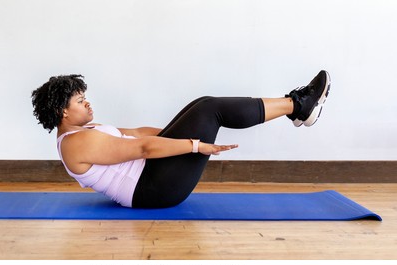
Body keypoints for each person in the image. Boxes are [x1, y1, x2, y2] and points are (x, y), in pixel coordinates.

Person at [31, 71, 330, 208]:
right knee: (210, 109)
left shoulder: (82, 132)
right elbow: (142, 148)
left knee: (202, 104)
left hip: (153, 180)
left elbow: (137, 134)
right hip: (152, 191)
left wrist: (181, 129)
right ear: (62, 112)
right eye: (80, 100)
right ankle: (298, 105)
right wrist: (195, 144)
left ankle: (298, 108)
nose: (87, 104)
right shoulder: (75, 144)